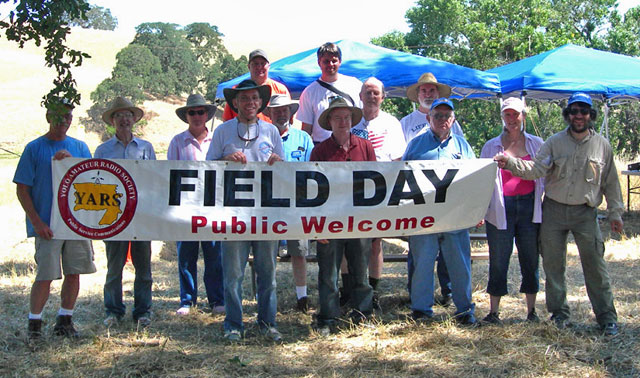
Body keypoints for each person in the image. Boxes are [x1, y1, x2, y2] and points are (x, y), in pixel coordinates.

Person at [494, 92, 624, 336]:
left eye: (583, 111)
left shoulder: (602, 145)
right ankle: (559, 315)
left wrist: (615, 213)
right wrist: (509, 163)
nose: (578, 116)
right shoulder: (554, 142)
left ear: (590, 115)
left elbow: (611, 183)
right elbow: (535, 169)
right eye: (574, 111)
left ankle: (607, 318)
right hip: (553, 210)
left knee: (595, 265)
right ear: (568, 114)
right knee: (553, 266)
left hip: (585, 213)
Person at [206, 80, 284, 342]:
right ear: (235, 103)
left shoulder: (272, 131)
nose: (250, 102)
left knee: (267, 273)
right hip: (234, 215)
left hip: (265, 215)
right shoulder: (223, 132)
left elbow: (283, 170)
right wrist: (224, 161)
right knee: (233, 274)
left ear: (261, 102)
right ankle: (234, 324)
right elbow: (207, 168)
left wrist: (277, 162)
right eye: (244, 98)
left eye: (254, 98)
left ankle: (267, 322)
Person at [14, 98, 96, 339]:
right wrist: (37, 222)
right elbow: (22, 189)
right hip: (48, 225)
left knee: (74, 272)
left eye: (68, 117)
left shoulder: (80, 147)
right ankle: (35, 325)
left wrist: (71, 162)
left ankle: (65, 320)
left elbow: (92, 183)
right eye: (59, 117)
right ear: (49, 117)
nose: (63, 122)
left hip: (75, 223)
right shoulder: (34, 148)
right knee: (46, 275)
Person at [402, 98, 476, 325]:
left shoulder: (462, 146)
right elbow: (403, 178)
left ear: (453, 119)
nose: (443, 120)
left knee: (460, 264)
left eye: (447, 116)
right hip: (423, 217)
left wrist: (476, 209)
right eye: (438, 115)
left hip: (455, 216)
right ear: (428, 118)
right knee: (422, 263)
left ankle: (465, 310)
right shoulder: (415, 145)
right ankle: (422, 310)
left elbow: (475, 178)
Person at [310, 97, 376, 335]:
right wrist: (317, 229)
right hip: (329, 223)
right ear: (329, 121)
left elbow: (375, 185)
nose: (342, 121)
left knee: (361, 272)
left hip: (359, 221)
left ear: (352, 120)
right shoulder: (319, 151)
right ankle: (328, 318)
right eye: (337, 117)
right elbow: (312, 192)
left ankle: (363, 315)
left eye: (346, 117)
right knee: (328, 274)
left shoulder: (365, 147)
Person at [480, 97, 543, 324]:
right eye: (507, 114)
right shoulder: (491, 146)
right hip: (501, 208)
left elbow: (544, 174)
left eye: (516, 114)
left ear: (523, 116)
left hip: (529, 207)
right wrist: (480, 210)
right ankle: (494, 311)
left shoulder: (537, 144)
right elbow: (483, 182)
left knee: (530, 258)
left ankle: (532, 310)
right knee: (498, 259)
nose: (512, 119)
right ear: (502, 118)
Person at [94, 97, 156, 328]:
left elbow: (155, 181)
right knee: (114, 267)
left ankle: (143, 311)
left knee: (144, 268)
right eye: (119, 115)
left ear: (134, 119)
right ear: (112, 120)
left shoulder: (146, 148)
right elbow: (95, 183)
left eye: (127, 115)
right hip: (113, 216)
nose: (124, 119)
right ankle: (113, 311)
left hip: (141, 216)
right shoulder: (102, 150)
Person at [401, 72, 461, 307]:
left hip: (447, 200)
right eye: (423, 90)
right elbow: (402, 162)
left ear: (438, 93)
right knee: (418, 252)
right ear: (418, 95)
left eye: (432, 90)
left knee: (449, 251)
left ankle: (447, 291)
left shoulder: (453, 125)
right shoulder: (405, 122)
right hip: (419, 199)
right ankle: (415, 294)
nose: (427, 93)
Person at [349, 77, 407, 310]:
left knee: (375, 242)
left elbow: (397, 159)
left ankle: (373, 288)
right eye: (367, 92)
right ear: (360, 96)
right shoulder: (351, 122)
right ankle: (350, 287)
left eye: (376, 93)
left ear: (383, 97)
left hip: (382, 189)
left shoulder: (392, 123)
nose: (372, 97)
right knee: (350, 239)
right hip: (353, 189)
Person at [168, 94, 225, 315]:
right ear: (186, 116)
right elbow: (169, 175)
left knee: (214, 256)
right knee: (186, 257)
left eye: (201, 112)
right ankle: (187, 301)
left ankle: (216, 300)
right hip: (186, 208)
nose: (197, 116)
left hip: (213, 208)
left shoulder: (216, 140)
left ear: (207, 114)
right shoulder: (177, 142)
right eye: (192, 112)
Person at [263, 94, 314, 313]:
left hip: (297, 206)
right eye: (277, 110)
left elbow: (314, 169)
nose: (281, 113)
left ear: (292, 112)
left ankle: (302, 297)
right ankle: (266, 296)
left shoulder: (304, 139)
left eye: (285, 109)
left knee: (299, 252)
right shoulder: (261, 138)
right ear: (270, 114)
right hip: (268, 205)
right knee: (266, 254)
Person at [297, 42, 363, 144]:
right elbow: (306, 129)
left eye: (334, 61)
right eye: (326, 61)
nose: (330, 65)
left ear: (340, 62)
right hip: (322, 148)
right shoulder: (309, 92)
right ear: (319, 62)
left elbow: (364, 117)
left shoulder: (355, 85)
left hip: (351, 146)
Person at [222, 49, 290, 123]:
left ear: (268, 66)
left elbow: (289, 121)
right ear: (249, 67)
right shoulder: (236, 91)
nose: (259, 67)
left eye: (263, 63)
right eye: (255, 64)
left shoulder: (281, 90)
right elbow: (227, 121)